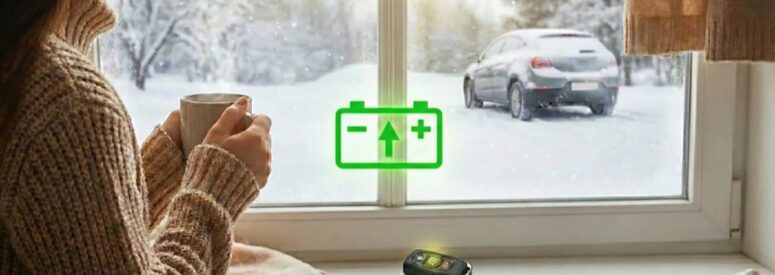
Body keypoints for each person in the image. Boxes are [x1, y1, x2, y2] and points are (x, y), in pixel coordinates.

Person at [0, 0, 274, 274]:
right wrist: (218, 191)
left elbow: (76, 244)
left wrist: (163, 166)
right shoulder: (68, 97)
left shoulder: (25, 65)